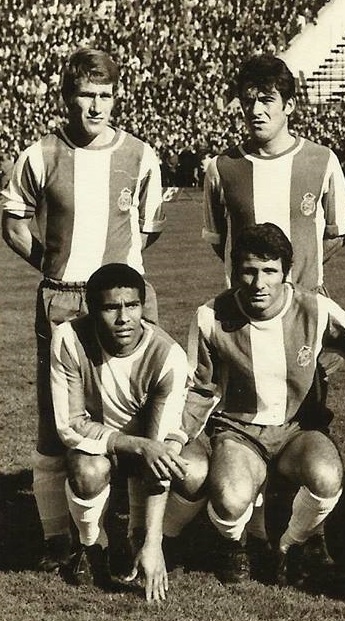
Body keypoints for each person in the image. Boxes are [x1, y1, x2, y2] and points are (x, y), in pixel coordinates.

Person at [1, 48, 164, 572]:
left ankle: (132, 534)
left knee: (138, 415)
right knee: (56, 424)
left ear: (116, 99)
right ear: (67, 97)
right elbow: (13, 224)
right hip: (63, 297)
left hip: (124, 300)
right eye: (86, 95)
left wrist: (112, 283)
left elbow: (149, 228)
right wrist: (54, 265)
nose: (96, 106)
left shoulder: (140, 155)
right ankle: (59, 541)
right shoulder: (39, 155)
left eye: (105, 95)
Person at [180, 223, 345, 585]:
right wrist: (175, 438)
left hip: (298, 430)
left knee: (326, 476)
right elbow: (198, 389)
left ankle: (291, 545)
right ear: (234, 271)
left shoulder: (316, 309)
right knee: (230, 498)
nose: (259, 283)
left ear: (286, 272)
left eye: (270, 271)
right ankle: (234, 544)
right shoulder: (210, 316)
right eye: (249, 271)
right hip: (239, 431)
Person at [50, 264, 188, 601]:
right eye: (111, 307)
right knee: (87, 470)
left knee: (193, 471)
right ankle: (91, 545)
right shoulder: (69, 338)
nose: (124, 318)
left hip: (145, 444)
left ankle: (151, 540)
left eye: (132, 305)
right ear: (92, 309)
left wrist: (152, 542)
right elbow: (70, 425)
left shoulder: (167, 355)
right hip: (99, 446)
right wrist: (134, 445)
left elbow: (157, 449)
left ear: (143, 306)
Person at [202, 53, 345, 294]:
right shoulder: (221, 167)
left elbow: (338, 234)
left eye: (266, 100)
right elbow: (219, 240)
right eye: (248, 101)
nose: (255, 110)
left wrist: (295, 269)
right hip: (246, 302)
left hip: (306, 299)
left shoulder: (323, 160)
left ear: (289, 105)